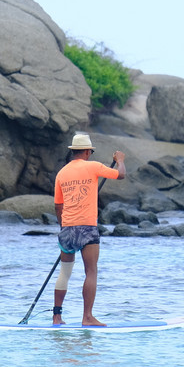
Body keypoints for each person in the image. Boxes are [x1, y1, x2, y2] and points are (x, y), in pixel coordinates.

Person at [52, 133, 126, 326]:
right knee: (91, 272)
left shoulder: (62, 173)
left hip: (67, 229)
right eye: (90, 152)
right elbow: (121, 174)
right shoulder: (93, 167)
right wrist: (119, 160)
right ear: (86, 151)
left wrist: (64, 226)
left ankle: (57, 316)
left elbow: (58, 206)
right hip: (87, 228)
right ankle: (87, 317)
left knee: (64, 273)